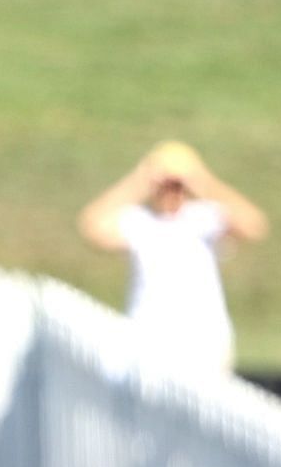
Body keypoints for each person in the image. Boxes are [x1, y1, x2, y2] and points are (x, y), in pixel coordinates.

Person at [77, 141, 268, 373]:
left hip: (204, 341)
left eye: (177, 185)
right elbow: (93, 228)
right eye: (165, 184)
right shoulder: (138, 221)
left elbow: (254, 226)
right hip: (148, 339)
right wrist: (138, 183)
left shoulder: (205, 218)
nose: (171, 191)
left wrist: (204, 183)